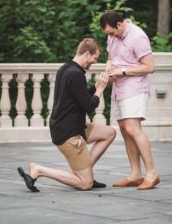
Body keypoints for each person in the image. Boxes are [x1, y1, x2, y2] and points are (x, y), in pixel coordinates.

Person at [18, 38, 116, 192]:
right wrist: (101, 89)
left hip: (70, 126)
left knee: (109, 133)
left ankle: (85, 170)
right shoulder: (76, 74)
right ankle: (38, 170)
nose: (94, 62)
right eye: (94, 58)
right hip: (69, 133)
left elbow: (80, 96)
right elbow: (89, 106)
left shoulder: (65, 68)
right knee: (85, 184)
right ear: (86, 53)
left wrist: (96, 85)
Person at [100, 10, 160, 190]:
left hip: (135, 87)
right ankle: (135, 174)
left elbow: (150, 67)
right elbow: (111, 59)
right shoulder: (112, 37)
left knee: (133, 128)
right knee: (124, 130)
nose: (110, 36)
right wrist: (109, 70)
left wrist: (123, 71)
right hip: (119, 88)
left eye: (111, 32)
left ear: (119, 24)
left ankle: (152, 173)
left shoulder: (138, 36)